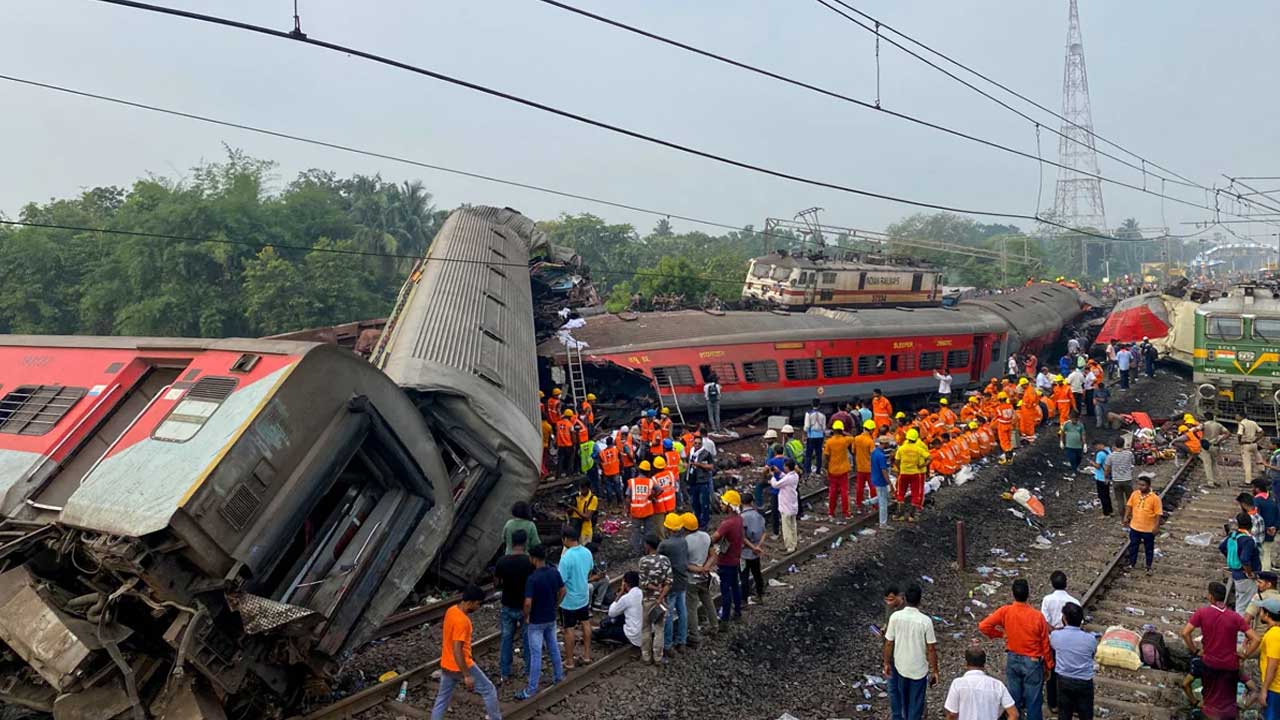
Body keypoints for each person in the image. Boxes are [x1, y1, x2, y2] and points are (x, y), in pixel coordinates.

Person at [1181, 581, 1258, 720]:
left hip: (1209, 661)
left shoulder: (1202, 613)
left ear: (1210, 597)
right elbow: (1256, 639)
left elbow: (1185, 633)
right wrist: (1244, 655)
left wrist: (1195, 651)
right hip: (1230, 664)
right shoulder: (1235, 617)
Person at [979, 578, 1054, 720]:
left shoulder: (1006, 611)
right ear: (1028, 594)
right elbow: (1045, 644)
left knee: (1014, 700)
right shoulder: (1037, 616)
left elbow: (983, 626)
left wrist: (1001, 634)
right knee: (1034, 701)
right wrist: (1049, 665)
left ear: (1013, 593)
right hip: (1032, 662)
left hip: (1013, 659)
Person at [431, 585, 503, 720]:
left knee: (442, 698)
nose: (478, 607)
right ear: (470, 602)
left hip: (446, 663)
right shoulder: (463, 622)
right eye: (478, 604)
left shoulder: (451, 610)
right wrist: (466, 675)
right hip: (461, 665)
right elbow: (457, 649)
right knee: (489, 690)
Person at [514, 545, 563, 700]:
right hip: (550, 617)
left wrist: (526, 616)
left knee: (536, 654)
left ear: (533, 559)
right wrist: (556, 605)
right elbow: (563, 590)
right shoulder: (554, 572)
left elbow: (528, 602)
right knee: (553, 648)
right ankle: (558, 676)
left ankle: (531, 689)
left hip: (536, 621)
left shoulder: (532, 579)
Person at [883, 583, 939, 720]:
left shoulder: (895, 617)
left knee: (903, 701)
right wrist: (935, 670)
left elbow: (889, 643)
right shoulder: (925, 621)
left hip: (901, 667)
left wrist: (886, 663)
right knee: (916, 703)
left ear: (905, 599)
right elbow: (931, 649)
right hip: (918, 670)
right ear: (920, 601)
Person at [494, 529, 534, 684]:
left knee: (506, 639)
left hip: (508, 604)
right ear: (525, 542)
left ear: (511, 542)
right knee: (527, 639)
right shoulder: (530, 562)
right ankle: (529, 670)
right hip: (526, 606)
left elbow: (497, 583)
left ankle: (505, 672)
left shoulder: (502, 561)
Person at [1040, 569, 1079, 713]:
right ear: (1066, 583)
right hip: (1069, 642)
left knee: (1052, 672)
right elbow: (1076, 624)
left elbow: (1044, 621)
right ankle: (1070, 705)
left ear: (1052, 583)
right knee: (1069, 672)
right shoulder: (1074, 601)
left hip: (1052, 641)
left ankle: (1053, 704)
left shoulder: (1047, 599)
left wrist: (1054, 631)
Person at [1050, 603, 1097, 720]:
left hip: (1064, 680)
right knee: (1086, 714)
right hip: (1084, 681)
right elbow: (1092, 654)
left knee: (1064, 714)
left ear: (1064, 619)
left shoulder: (1056, 636)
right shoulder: (1090, 639)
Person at [944, 647, 1017, 720]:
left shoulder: (957, 684)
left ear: (966, 664)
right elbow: (1014, 714)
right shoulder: (997, 685)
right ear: (984, 664)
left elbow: (952, 713)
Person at [557, 527, 594, 668]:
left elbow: (561, 582)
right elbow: (590, 571)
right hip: (583, 595)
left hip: (569, 601)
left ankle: (570, 661)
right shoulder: (587, 552)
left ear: (565, 539)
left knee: (569, 629)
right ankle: (586, 655)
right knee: (585, 623)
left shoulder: (566, 558)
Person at [682, 512, 717, 646]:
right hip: (705, 577)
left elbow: (685, 564)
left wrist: (699, 569)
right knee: (708, 601)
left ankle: (694, 635)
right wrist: (705, 568)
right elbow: (713, 555)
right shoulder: (706, 536)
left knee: (691, 607)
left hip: (692, 579)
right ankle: (714, 626)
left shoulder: (685, 542)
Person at [637, 534, 672, 664]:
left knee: (646, 628)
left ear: (647, 545)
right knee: (659, 629)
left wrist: (655, 589)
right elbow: (669, 582)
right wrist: (661, 596)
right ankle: (658, 657)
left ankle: (646, 656)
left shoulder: (643, 561)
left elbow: (643, 583)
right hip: (661, 601)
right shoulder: (666, 560)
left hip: (647, 599)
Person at [657, 513, 689, 654]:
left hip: (669, 583)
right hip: (682, 580)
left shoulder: (665, 544)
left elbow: (657, 559)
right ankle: (682, 641)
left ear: (668, 528)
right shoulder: (683, 541)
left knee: (668, 614)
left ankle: (668, 645)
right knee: (682, 611)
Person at [711, 490, 745, 621]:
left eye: (723, 503)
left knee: (725, 590)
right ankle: (737, 612)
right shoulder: (739, 519)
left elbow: (714, 538)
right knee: (735, 586)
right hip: (736, 558)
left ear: (729, 506)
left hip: (726, 561)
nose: (720, 504)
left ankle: (725, 618)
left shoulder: (727, 523)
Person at [1222, 512, 1261, 615]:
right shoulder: (1247, 540)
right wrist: (1249, 572)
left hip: (1236, 574)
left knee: (1240, 603)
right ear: (1251, 524)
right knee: (1245, 607)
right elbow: (1244, 559)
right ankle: (1241, 630)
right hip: (1246, 577)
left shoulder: (1233, 536)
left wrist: (1231, 558)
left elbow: (1222, 547)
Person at [1124, 474, 1162, 574]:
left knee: (1149, 548)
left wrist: (1156, 527)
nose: (1140, 487)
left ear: (1149, 486)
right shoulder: (1135, 494)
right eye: (1139, 485)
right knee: (1133, 546)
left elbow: (1158, 514)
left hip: (1148, 529)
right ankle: (1132, 564)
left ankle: (1148, 566)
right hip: (1135, 527)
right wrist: (1126, 516)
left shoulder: (1155, 498)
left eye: (1143, 485)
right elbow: (1129, 505)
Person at [597, 570, 643, 648]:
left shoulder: (626, 598)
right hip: (645, 633)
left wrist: (620, 594)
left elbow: (611, 613)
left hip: (633, 636)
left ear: (625, 583)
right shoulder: (642, 593)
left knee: (605, 630)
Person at [894, 428, 930, 521]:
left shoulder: (902, 448)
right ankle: (912, 516)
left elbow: (897, 460)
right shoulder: (918, 449)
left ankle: (900, 515)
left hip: (904, 473)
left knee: (901, 493)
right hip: (915, 474)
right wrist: (922, 465)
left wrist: (899, 468)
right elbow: (929, 458)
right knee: (915, 494)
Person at [824, 420, 855, 520]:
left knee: (832, 492)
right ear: (841, 430)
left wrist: (827, 467)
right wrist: (844, 432)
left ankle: (831, 512)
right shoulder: (845, 440)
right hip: (843, 470)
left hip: (832, 470)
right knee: (844, 492)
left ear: (833, 430)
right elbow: (852, 437)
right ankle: (846, 513)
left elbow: (826, 456)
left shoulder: (829, 442)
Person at [1254, 597, 1280, 718]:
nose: (1259, 613)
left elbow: (1273, 664)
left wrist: (1264, 690)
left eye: (1261, 611)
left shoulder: (1274, 634)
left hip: (1275, 688)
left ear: (1267, 614)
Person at [738, 495, 767, 604]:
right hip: (756, 553)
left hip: (745, 552)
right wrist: (758, 546)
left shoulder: (741, 517)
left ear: (741, 503)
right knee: (757, 574)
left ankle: (744, 600)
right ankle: (759, 595)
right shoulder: (758, 515)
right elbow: (764, 532)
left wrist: (752, 547)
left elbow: (742, 537)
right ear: (752, 502)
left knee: (744, 577)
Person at [770, 458, 801, 552]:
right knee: (793, 526)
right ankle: (794, 544)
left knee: (786, 527)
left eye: (784, 466)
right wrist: (779, 472)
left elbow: (776, 485)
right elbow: (785, 478)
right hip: (792, 505)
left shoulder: (788, 478)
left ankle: (789, 547)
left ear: (788, 467)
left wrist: (772, 476)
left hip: (786, 506)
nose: (783, 467)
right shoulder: (795, 475)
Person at [628, 460, 656, 554]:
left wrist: (628, 509)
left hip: (636, 511)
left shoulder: (632, 482)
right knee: (648, 530)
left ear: (639, 470)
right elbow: (660, 490)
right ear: (648, 471)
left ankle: (636, 551)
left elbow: (628, 497)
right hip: (648, 510)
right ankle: (647, 550)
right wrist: (652, 497)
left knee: (636, 531)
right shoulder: (650, 482)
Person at [688, 436, 716, 529]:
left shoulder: (706, 454)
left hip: (703, 481)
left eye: (699, 443)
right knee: (695, 503)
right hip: (693, 481)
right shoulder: (691, 452)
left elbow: (711, 466)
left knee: (704, 503)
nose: (697, 445)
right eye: (695, 443)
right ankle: (697, 521)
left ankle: (705, 523)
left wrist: (699, 465)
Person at [1105, 440, 1136, 517]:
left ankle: (1123, 516)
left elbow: (1107, 469)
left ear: (1115, 445)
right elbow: (1133, 462)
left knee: (1119, 500)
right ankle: (1130, 514)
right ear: (1123, 444)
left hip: (1116, 480)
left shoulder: (1110, 456)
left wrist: (1106, 477)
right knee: (1130, 498)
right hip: (1127, 479)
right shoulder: (1129, 454)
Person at [853, 419, 879, 510]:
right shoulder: (870, 441)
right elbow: (873, 455)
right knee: (872, 487)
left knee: (860, 486)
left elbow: (853, 451)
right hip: (870, 468)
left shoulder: (856, 438)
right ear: (871, 430)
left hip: (860, 467)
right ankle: (874, 504)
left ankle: (858, 503)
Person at [1200, 413, 1229, 487]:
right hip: (1215, 446)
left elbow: (1195, 430)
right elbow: (1228, 433)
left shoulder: (1204, 424)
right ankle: (1217, 480)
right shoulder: (1218, 425)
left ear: (1205, 418)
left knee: (1207, 464)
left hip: (1206, 446)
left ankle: (1210, 483)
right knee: (1214, 463)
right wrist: (1220, 440)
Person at [568, 479, 599, 545]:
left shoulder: (593, 498)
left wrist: (575, 509)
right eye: (580, 488)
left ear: (588, 487)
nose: (581, 490)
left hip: (585, 528)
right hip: (574, 525)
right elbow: (569, 512)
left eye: (583, 488)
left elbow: (587, 517)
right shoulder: (576, 496)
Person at [871, 435, 893, 527]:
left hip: (875, 478)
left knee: (882, 495)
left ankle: (869, 502)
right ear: (884, 443)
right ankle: (883, 523)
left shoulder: (874, 452)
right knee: (883, 502)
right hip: (881, 480)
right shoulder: (881, 456)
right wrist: (890, 483)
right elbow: (884, 470)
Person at [1240, 413, 1266, 485]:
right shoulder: (1253, 423)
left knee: (1247, 463)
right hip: (1254, 443)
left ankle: (1248, 481)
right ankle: (1263, 471)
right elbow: (1262, 432)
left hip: (1246, 444)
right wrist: (1256, 440)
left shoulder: (1242, 423)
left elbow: (1239, 434)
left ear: (1241, 417)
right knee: (1258, 457)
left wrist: (1239, 441)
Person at [598, 436, 623, 508]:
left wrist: (603, 471)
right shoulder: (616, 450)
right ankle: (620, 502)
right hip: (616, 472)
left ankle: (610, 503)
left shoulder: (602, 453)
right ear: (612, 442)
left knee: (608, 488)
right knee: (617, 487)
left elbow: (600, 463)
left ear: (606, 443)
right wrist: (621, 470)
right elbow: (621, 461)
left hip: (607, 473)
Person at [803, 400, 826, 476]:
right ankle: (818, 471)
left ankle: (807, 471)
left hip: (811, 436)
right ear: (819, 405)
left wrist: (805, 433)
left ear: (811, 404)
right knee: (818, 454)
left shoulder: (808, 414)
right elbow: (824, 427)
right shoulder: (823, 415)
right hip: (820, 436)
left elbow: (806, 427)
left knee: (808, 455)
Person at [1089, 440, 1112, 516]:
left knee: (1102, 495)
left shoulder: (1100, 454)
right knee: (1107, 494)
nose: (1095, 448)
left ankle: (1106, 513)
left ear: (1100, 444)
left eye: (1095, 446)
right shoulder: (1108, 451)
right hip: (1108, 476)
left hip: (1101, 477)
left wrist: (1092, 463)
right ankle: (1110, 510)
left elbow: (1098, 466)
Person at [555, 409, 578, 477]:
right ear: (569, 417)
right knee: (569, 460)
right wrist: (575, 443)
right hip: (568, 445)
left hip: (560, 445)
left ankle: (558, 474)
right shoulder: (570, 424)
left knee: (560, 460)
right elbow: (573, 435)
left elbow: (557, 433)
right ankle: (569, 474)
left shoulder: (558, 423)